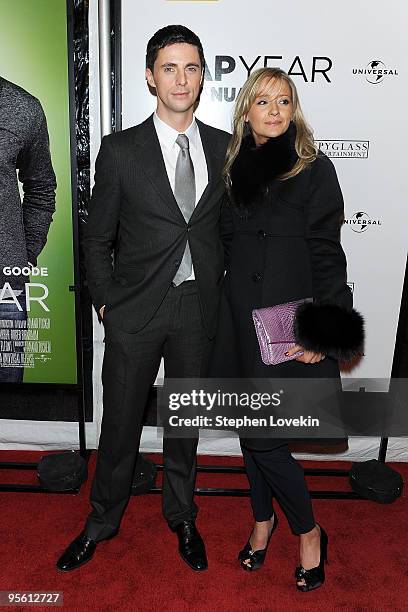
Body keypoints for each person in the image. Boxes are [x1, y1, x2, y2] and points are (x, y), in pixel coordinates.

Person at [56, 25, 230, 573]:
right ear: (151, 77)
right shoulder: (120, 150)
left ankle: (182, 516)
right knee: (121, 425)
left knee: (185, 425)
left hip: (196, 308)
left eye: (192, 67)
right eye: (170, 67)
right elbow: (95, 237)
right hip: (134, 310)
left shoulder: (225, 148)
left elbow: (229, 230)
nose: (182, 79)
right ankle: (102, 520)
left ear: (203, 77)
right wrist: (106, 300)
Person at [210, 67, 363, 591]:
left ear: (294, 109)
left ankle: (308, 529)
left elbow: (327, 251)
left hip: (288, 326)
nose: (276, 110)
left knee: (265, 438)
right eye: (263, 101)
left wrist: (324, 329)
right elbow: (226, 247)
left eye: (285, 100)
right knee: (253, 433)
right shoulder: (234, 172)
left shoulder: (313, 170)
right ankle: (261, 519)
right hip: (240, 320)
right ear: (246, 111)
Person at [0, 77, 56, 383]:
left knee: (6, 411)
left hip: (4, 293)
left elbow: (42, 188)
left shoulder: (22, 107)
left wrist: (24, 254)